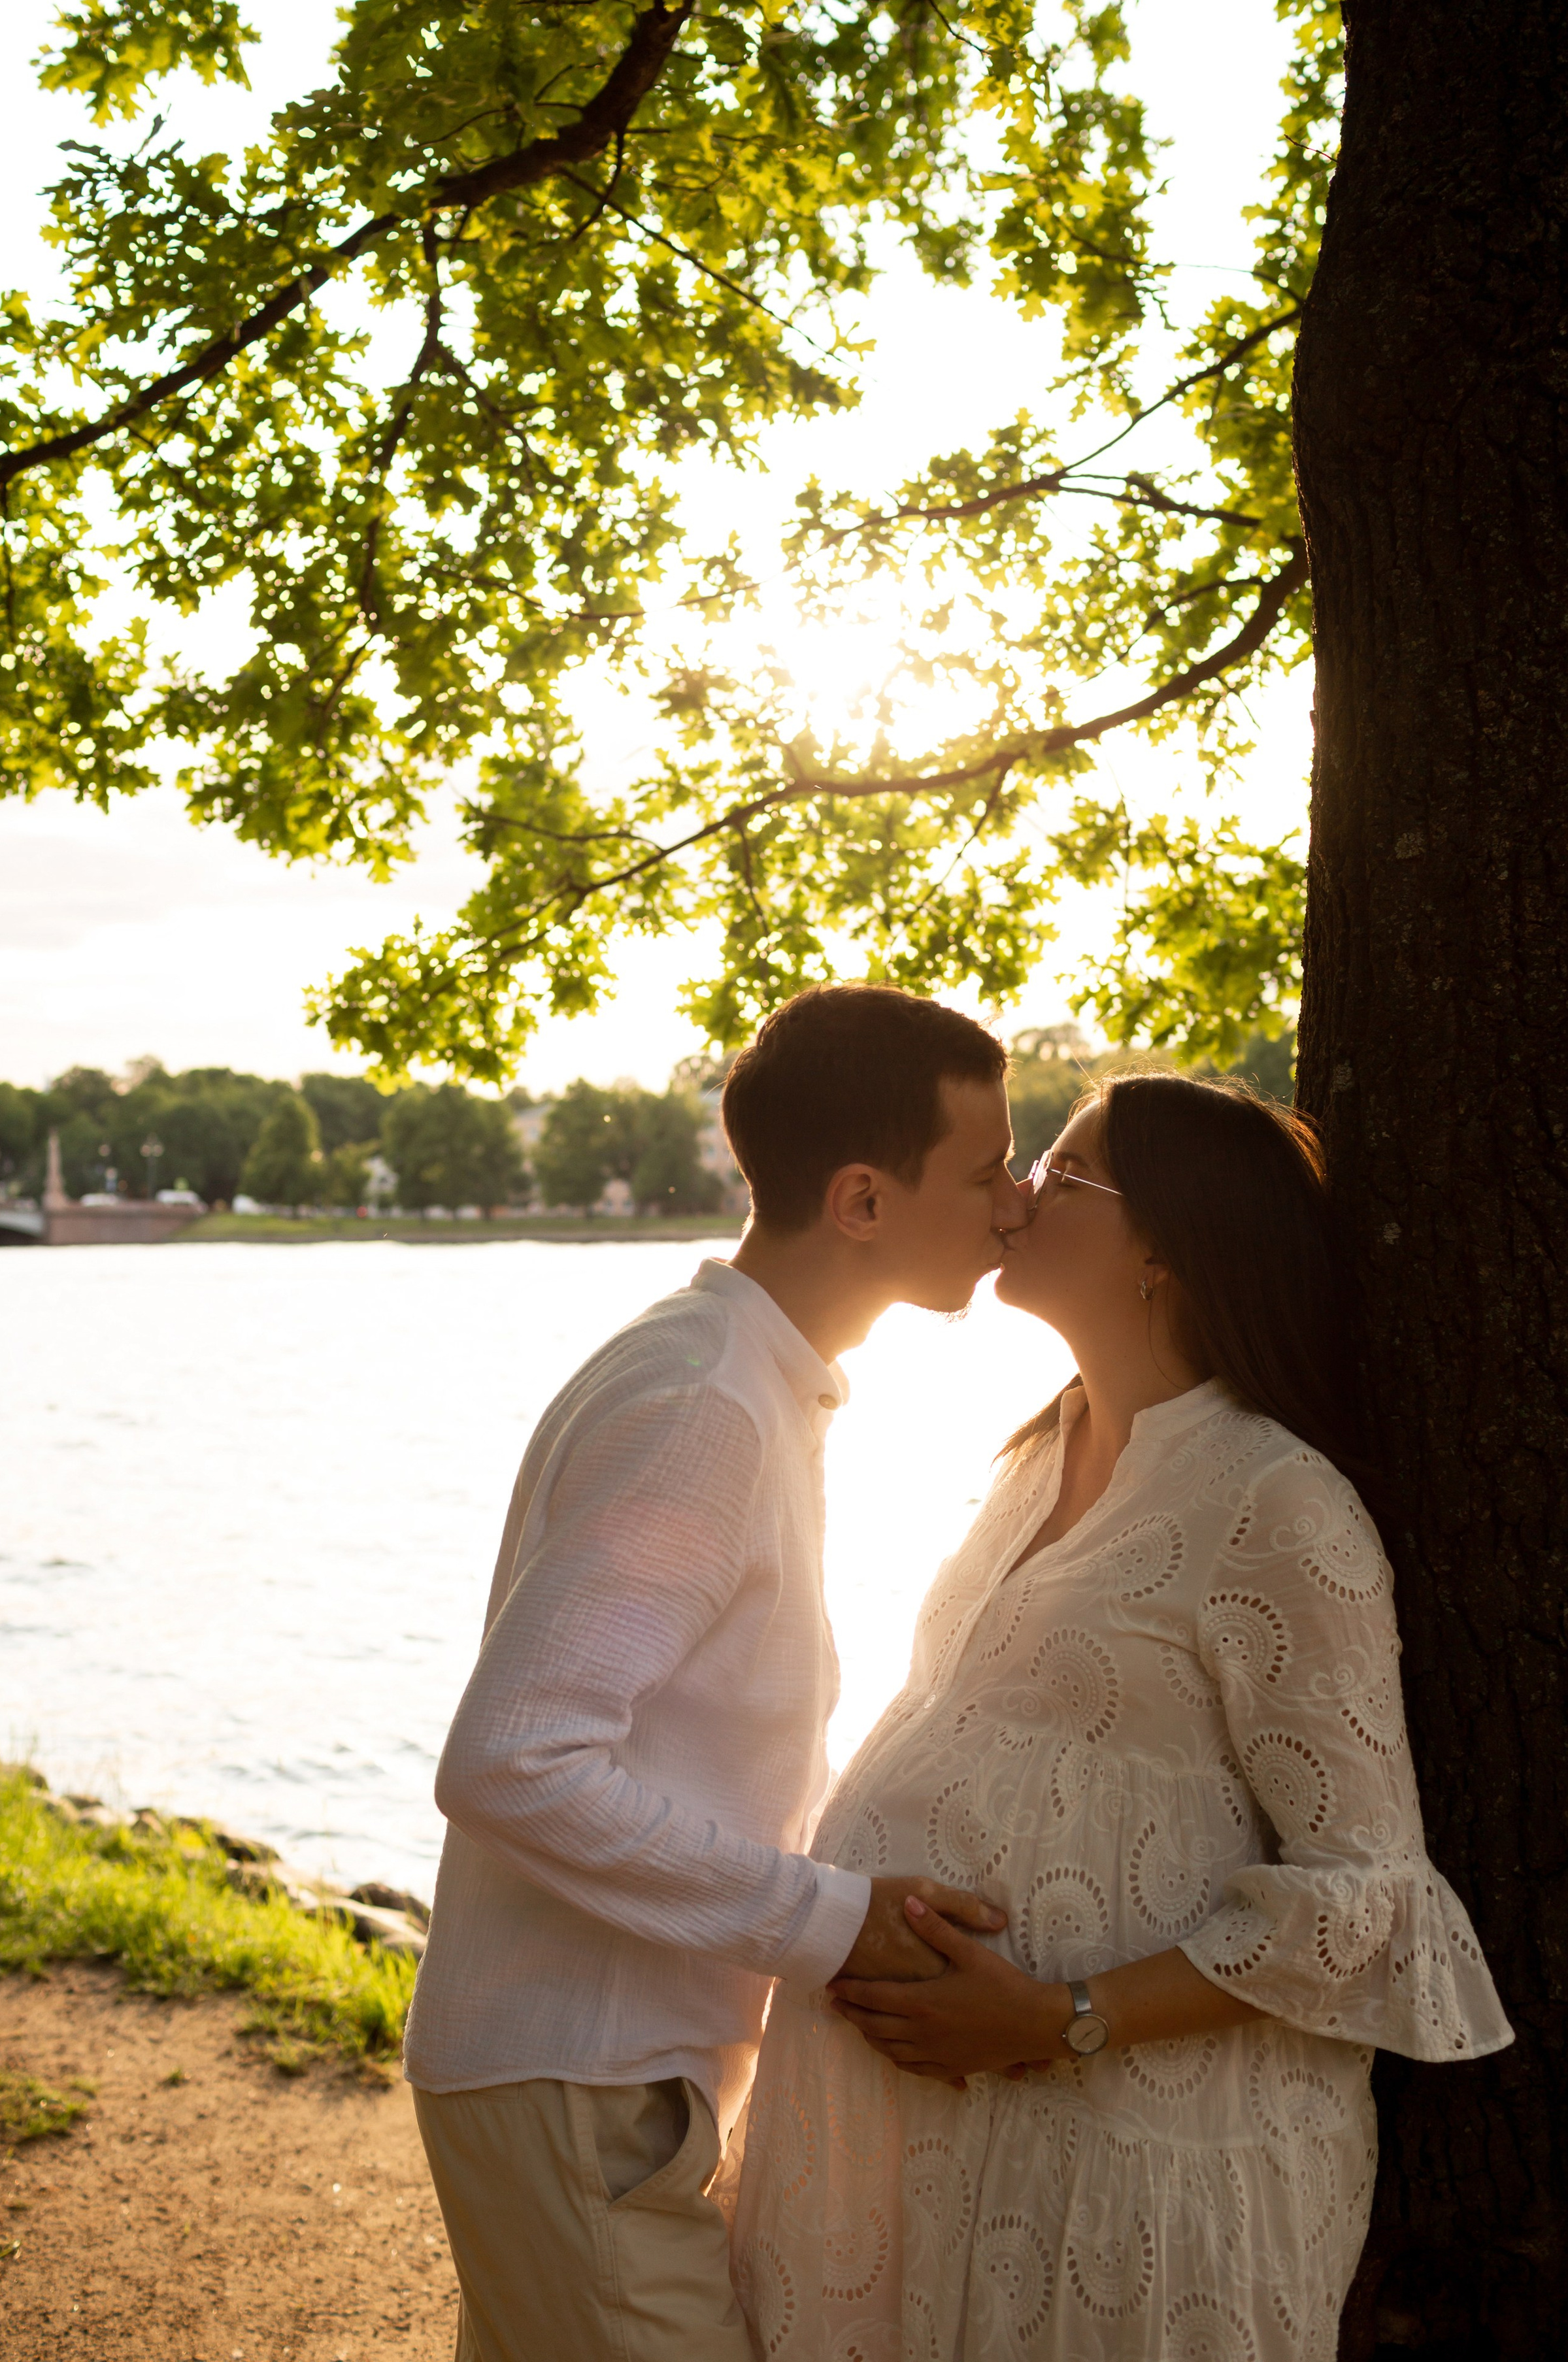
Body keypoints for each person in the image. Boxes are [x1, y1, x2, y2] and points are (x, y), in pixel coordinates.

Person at [727, 1072, 1511, 2361]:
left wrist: (1057, 2017)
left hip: (1135, 2177)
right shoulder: (1039, 1453)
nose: (1017, 1187)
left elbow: (1361, 1890)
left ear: (1163, 1245)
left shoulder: (1272, 1502)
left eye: (1063, 1168)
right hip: (937, 2149)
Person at [403, 984, 1026, 2361]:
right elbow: (512, 1757)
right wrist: (828, 1919)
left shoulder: (737, 1377)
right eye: (984, 1173)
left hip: (601, 2075)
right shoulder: (703, 1408)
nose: (1012, 1204)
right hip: (583, 2075)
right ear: (860, 1201)